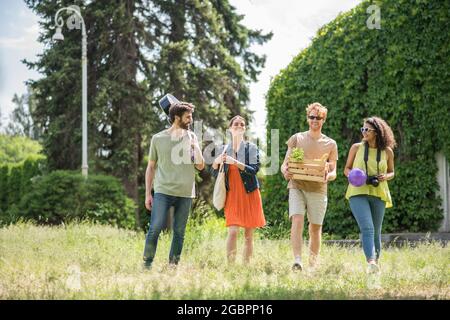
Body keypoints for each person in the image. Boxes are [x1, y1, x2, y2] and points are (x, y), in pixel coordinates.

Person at [143, 101, 205, 269]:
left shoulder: (191, 137)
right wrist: (148, 194)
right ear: (177, 118)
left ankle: (173, 266)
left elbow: (200, 166)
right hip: (163, 190)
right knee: (155, 228)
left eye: (191, 116)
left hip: (185, 192)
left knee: (179, 232)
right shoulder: (158, 138)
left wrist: (195, 146)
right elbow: (151, 167)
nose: (191, 120)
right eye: (188, 117)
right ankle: (147, 264)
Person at [281, 102, 338, 271]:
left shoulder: (331, 144)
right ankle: (297, 260)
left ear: (323, 120)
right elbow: (285, 164)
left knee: (315, 228)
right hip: (297, 185)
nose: (315, 120)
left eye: (318, 117)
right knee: (297, 220)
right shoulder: (297, 138)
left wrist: (329, 175)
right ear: (307, 118)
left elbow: (334, 170)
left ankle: (312, 265)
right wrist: (285, 171)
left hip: (318, 189)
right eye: (312, 117)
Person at [344, 116, 396, 273]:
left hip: (378, 192)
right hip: (357, 192)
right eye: (363, 129)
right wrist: (354, 176)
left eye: (367, 129)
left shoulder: (387, 151)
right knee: (367, 228)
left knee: (376, 230)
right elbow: (346, 169)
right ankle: (371, 261)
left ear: (377, 132)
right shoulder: (356, 148)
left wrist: (385, 177)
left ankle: (376, 265)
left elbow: (391, 172)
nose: (364, 132)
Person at [211, 115, 266, 264]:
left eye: (242, 124)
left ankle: (246, 267)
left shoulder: (251, 148)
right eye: (236, 124)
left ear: (245, 129)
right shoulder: (223, 149)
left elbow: (254, 169)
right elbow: (216, 174)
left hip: (250, 193)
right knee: (233, 231)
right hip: (232, 195)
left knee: (249, 234)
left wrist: (235, 162)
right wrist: (216, 162)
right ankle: (231, 267)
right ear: (230, 128)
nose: (239, 126)